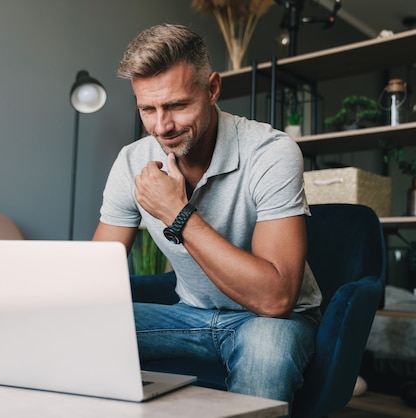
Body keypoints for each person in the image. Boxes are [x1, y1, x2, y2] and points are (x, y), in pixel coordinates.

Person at [92, 23, 322, 407]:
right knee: (79, 326)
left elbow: (277, 298)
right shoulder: (131, 161)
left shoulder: (270, 151)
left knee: (265, 352)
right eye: (147, 109)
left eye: (177, 105)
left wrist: (177, 213)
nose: (161, 127)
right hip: (189, 316)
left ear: (212, 89)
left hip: (271, 322)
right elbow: (95, 277)